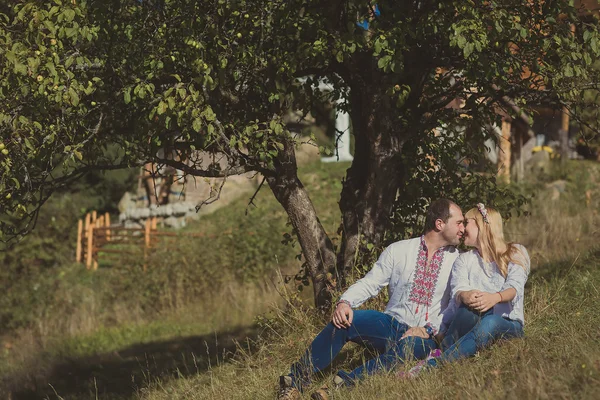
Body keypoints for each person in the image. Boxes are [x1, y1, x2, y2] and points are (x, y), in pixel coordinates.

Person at [277, 199, 465, 400]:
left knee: (408, 348)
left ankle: (340, 386)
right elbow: (371, 282)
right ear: (439, 224)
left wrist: (428, 330)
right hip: (390, 324)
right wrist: (344, 302)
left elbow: (455, 305)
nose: (463, 228)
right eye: (459, 222)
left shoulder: (458, 261)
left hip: (425, 337)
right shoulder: (399, 250)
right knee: (346, 321)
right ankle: (293, 382)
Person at [405, 203, 530, 377]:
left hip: (507, 324)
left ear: (482, 224)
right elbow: (458, 292)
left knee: (491, 322)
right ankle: (443, 350)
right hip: (473, 320)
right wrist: (465, 295)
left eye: (466, 222)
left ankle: (434, 364)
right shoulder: (464, 260)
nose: (462, 229)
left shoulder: (515, 252)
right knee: (467, 305)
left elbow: (514, 287)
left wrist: (495, 298)